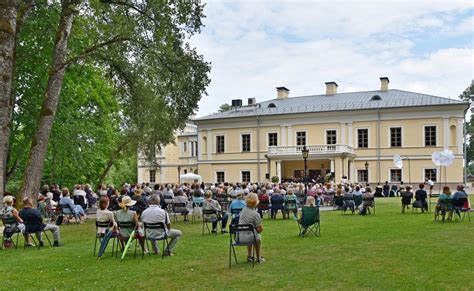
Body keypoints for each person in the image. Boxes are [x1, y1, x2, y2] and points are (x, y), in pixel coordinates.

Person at [237, 193, 264, 263]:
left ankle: (249, 255)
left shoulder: (243, 210)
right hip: (249, 237)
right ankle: (258, 257)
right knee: (256, 237)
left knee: (250, 233)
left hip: (239, 237)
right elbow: (259, 230)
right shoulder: (256, 214)